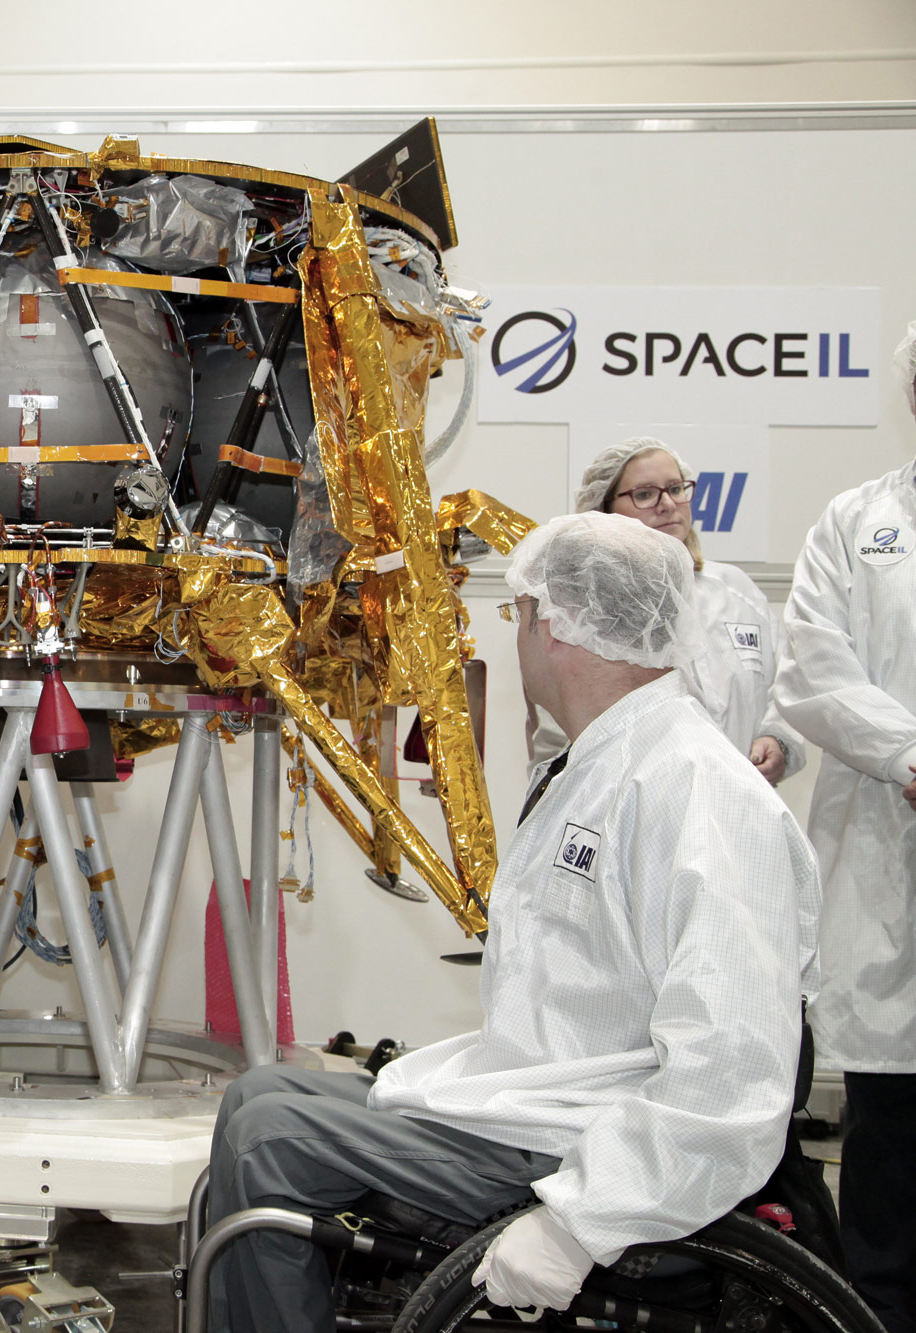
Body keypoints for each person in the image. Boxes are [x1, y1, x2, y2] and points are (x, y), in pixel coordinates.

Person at [209, 511, 818, 1331]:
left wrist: (579, 1219)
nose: (518, 635)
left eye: (519, 612)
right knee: (257, 1090)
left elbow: (730, 1073)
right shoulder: (601, 762)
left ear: (556, 623)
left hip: (588, 1141)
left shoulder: (699, 789)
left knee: (267, 1141)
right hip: (543, 1101)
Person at [770, 319, 916, 1333]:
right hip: (888, 848)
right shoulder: (856, 522)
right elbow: (811, 674)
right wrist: (909, 755)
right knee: (888, 1149)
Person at [526, 437, 805, 786]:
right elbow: (559, 736)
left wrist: (777, 739)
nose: (667, 504)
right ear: (603, 510)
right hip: (631, 808)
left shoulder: (736, 591)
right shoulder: (584, 605)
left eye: (675, 488)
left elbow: (788, 684)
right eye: (645, 494)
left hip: (741, 806)